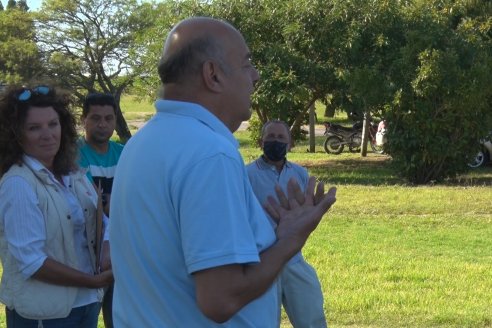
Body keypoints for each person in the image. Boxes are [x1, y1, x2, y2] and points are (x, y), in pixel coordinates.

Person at [110, 17, 337, 327]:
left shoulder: (143, 143)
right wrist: (289, 240)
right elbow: (221, 299)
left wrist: (273, 236)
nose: (255, 77)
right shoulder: (209, 153)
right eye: (246, 65)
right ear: (213, 75)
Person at [0, 85, 113, 327]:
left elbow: (103, 220)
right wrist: (90, 281)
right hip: (45, 313)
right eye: (34, 128)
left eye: (53, 124)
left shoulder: (73, 173)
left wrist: (106, 247)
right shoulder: (18, 184)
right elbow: (32, 261)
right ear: (16, 135)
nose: (47, 134)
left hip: (86, 305)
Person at [247, 120, 327, 328]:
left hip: (293, 259)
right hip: (260, 261)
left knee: (311, 318)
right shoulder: (247, 175)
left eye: (281, 138)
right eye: (271, 137)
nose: (276, 141)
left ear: (290, 144)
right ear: (260, 142)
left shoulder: (299, 173)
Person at [78, 92, 123, 328]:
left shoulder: (125, 153)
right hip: (85, 256)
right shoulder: (72, 154)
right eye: (95, 118)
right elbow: (89, 203)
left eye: (109, 118)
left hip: (121, 252)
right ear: (83, 119)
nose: (102, 124)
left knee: (118, 318)